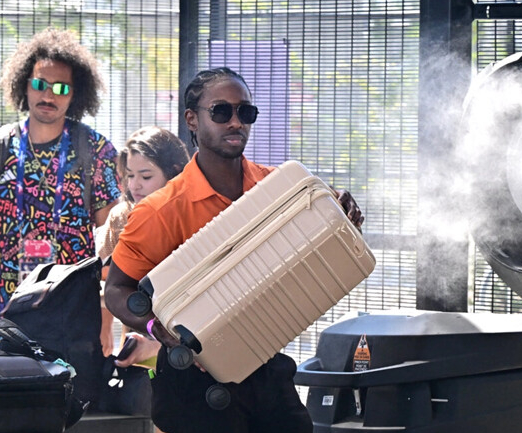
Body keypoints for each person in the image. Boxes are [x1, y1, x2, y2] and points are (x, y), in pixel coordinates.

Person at [104, 67, 364, 433]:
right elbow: (117, 290)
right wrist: (155, 327)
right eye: (221, 112)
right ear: (192, 119)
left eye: (246, 113)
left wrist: (340, 211)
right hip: (193, 385)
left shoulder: (280, 188)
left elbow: (318, 234)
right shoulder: (161, 210)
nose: (236, 122)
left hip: (266, 366)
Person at [0, 27, 122, 327]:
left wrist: (105, 318)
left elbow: (111, 242)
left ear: (75, 94)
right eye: (40, 84)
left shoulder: (96, 150)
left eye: (61, 88)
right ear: (24, 85)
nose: (49, 94)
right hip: (2, 316)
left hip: (72, 317)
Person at [96, 125, 191, 367]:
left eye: (146, 176)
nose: (134, 186)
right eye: (130, 175)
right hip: (139, 342)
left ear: (174, 174)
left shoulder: (191, 213)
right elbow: (104, 278)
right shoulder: (122, 216)